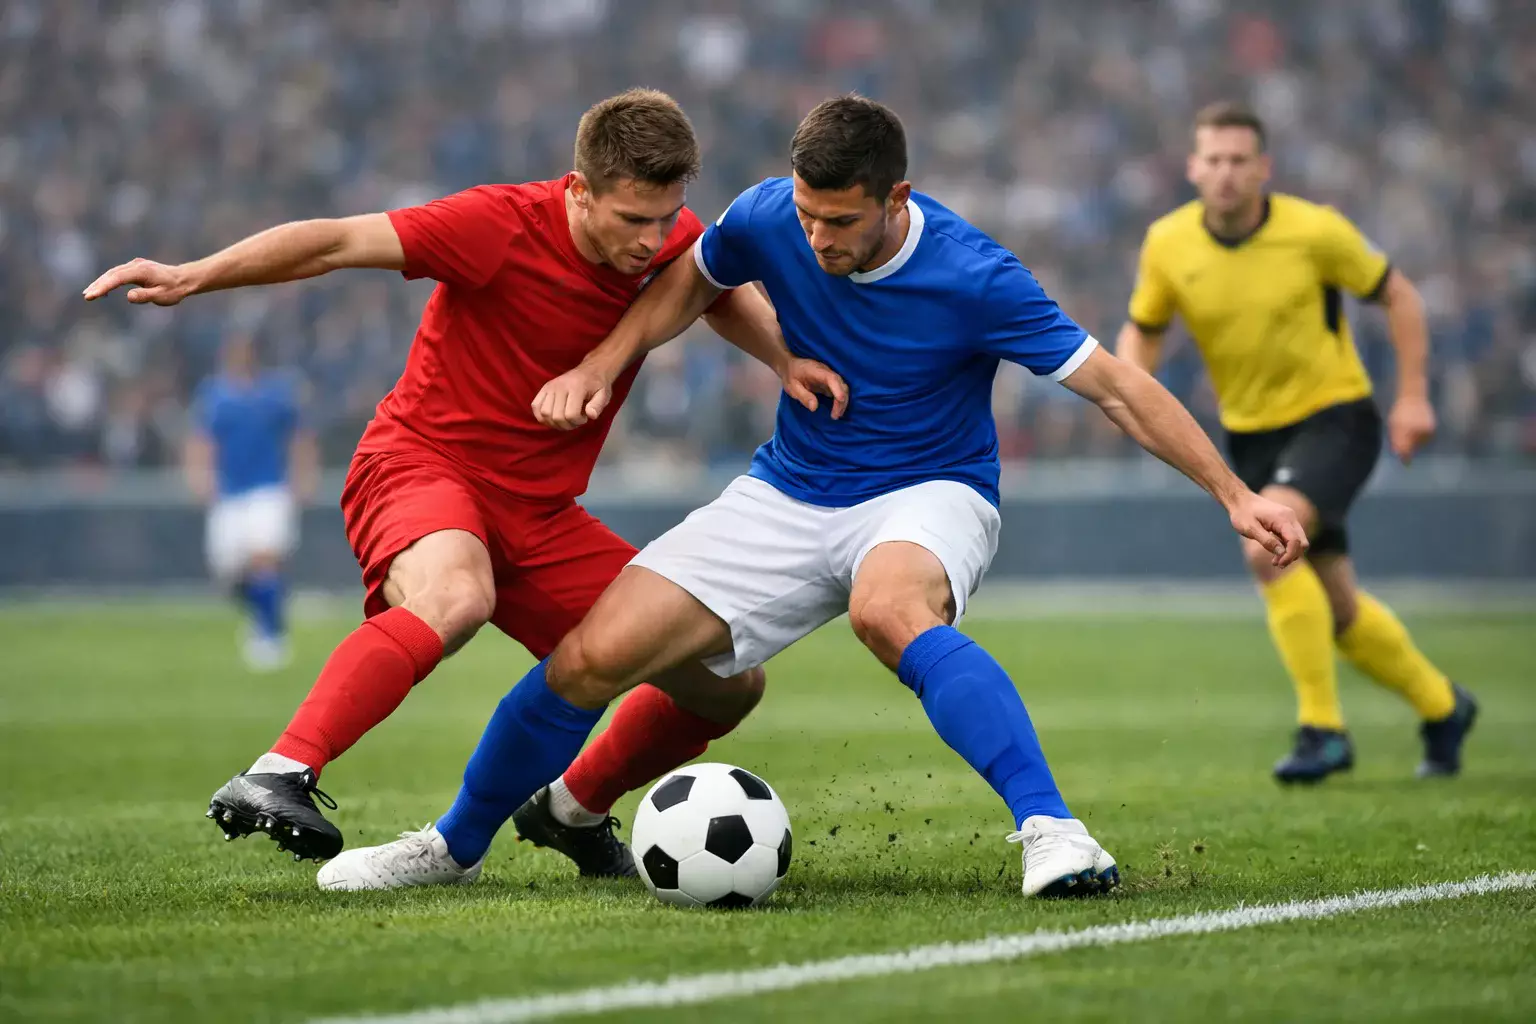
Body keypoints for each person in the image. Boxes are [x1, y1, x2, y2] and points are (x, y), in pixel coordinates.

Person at [317, 94, 1306, 898]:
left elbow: (1119, 389)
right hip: (789, 488)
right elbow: (691, 280)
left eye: (839, 220)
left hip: (930, 490)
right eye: (805, 213)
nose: (816, 235)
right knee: (593, 654)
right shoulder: (765, 215)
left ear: (894, 199)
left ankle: (1052, 831)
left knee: (888, 612)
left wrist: (1231, 492)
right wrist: (605, 356)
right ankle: (454, 845)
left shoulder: (978, 274)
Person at [82, 89, 846, 867]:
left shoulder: (666, 236)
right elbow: (336, 242)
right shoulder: (497, 224)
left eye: (666, 218)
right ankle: (278, 772)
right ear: (579, 191)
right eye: (632, 220)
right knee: (458, 596)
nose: (654, 240)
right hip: (420, 466)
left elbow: (708, 285)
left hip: (541, 514)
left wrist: (783, 361)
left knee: (726, 681)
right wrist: (193, 275)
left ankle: (573, 811)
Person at [1115, 102, 1478, 785]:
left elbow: (1400, 297)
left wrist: (1412, 396)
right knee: (1337, 607)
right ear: (1193, 168)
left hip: (1334, 420)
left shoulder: (1315, 231)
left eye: (1238, 161)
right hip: (1248, 435)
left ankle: (1323, 729)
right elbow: (1145, 325)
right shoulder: (1168, 242)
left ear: (1263, 169)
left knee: (1265, 547)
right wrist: (1130, 384)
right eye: (1213, 160)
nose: (1225, 174)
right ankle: (1444, 706)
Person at [186, 332, 317, 671]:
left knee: (266, 560)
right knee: (229, 575)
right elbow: (202, 439)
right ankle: (265, 612)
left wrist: (303, 476)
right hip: (229, 494)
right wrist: (200, 475)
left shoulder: (276, 393)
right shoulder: (215, 396)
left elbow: (299, 437)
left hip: (268, 489)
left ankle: (271, 637)